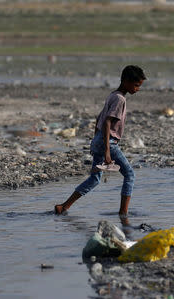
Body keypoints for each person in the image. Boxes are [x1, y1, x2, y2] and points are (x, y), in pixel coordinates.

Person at [54, 65, 146, 217]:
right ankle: (123, 214)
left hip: (99, 141)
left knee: (95, 179)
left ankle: (64, 206)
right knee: (129, 175)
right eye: (136, 85)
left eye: (139, 86)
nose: (137, 89)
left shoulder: (113, 95)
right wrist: (107, 151)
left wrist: (95, 141)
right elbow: (107, 122)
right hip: (107, 143)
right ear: (125, 81)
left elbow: (99, 118)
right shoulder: (120, 99)